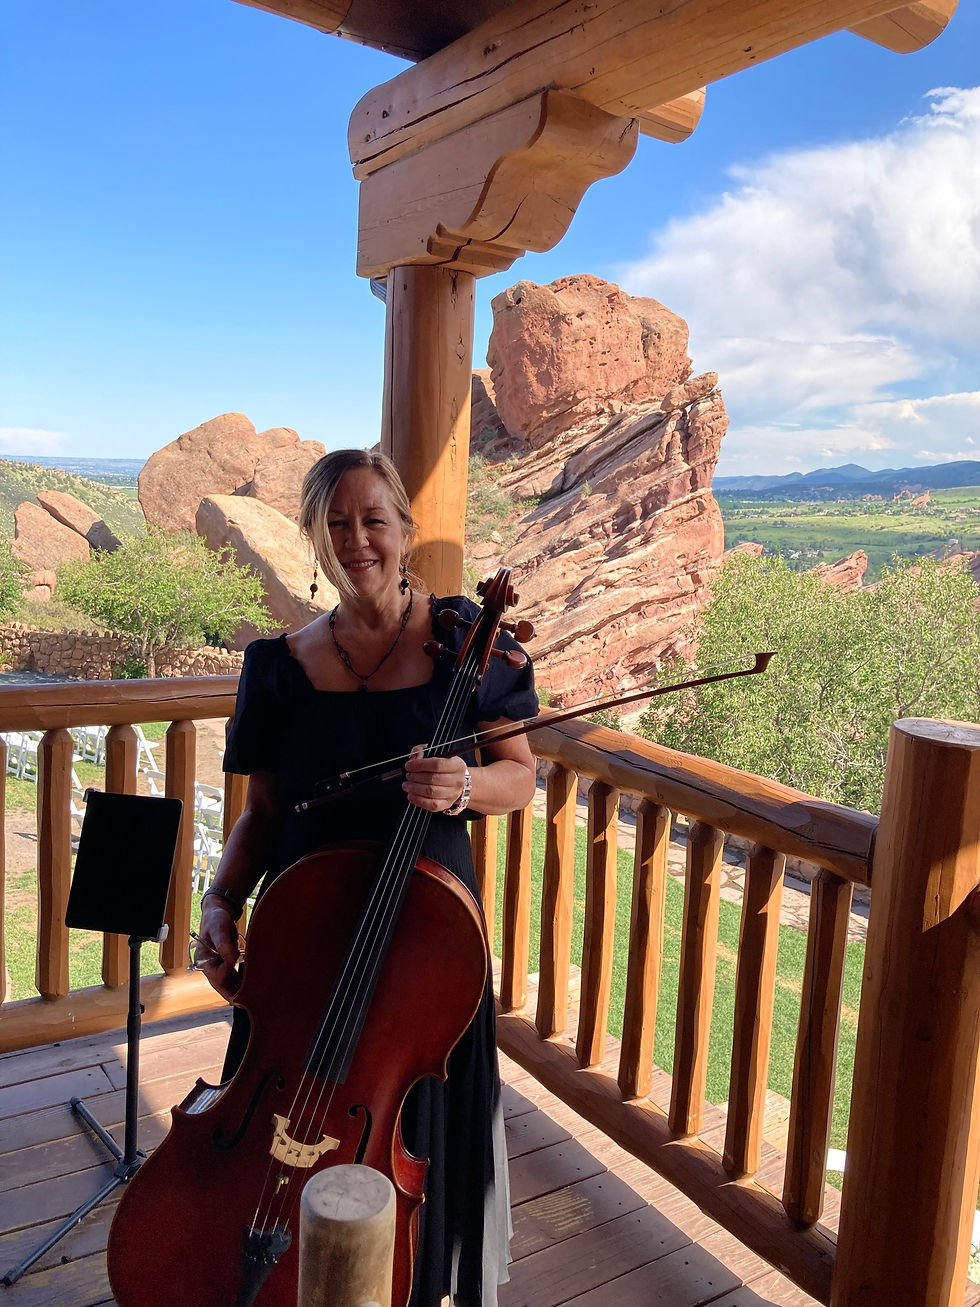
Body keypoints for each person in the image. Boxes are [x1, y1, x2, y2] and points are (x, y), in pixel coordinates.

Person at [193, 448, 538, 1307]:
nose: (357, 541)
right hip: (304, 946)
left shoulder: (468, 638)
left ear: (404, 530)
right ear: (314, 538)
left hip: (426, 951)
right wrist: (220, 898)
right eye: (336, 524)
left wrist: (464, 786)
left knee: (408, 1128)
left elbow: (520, 775)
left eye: (372, 520)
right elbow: (264, 812)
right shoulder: (276, 667)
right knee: (276, 1124)